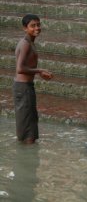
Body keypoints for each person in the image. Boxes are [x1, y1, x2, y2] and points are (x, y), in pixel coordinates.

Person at [14, 14, 53, 143]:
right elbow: (20, 68)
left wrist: (38, 73)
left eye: (38, 25)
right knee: (28, 128)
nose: (37, 28)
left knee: (29, 123)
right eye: (33, 26)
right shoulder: (25, 44)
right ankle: (26, 159)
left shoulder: (29, 42)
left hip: (25, 87)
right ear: (25, 28)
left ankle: (28, 157)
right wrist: (40, 70)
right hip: (23, 88)